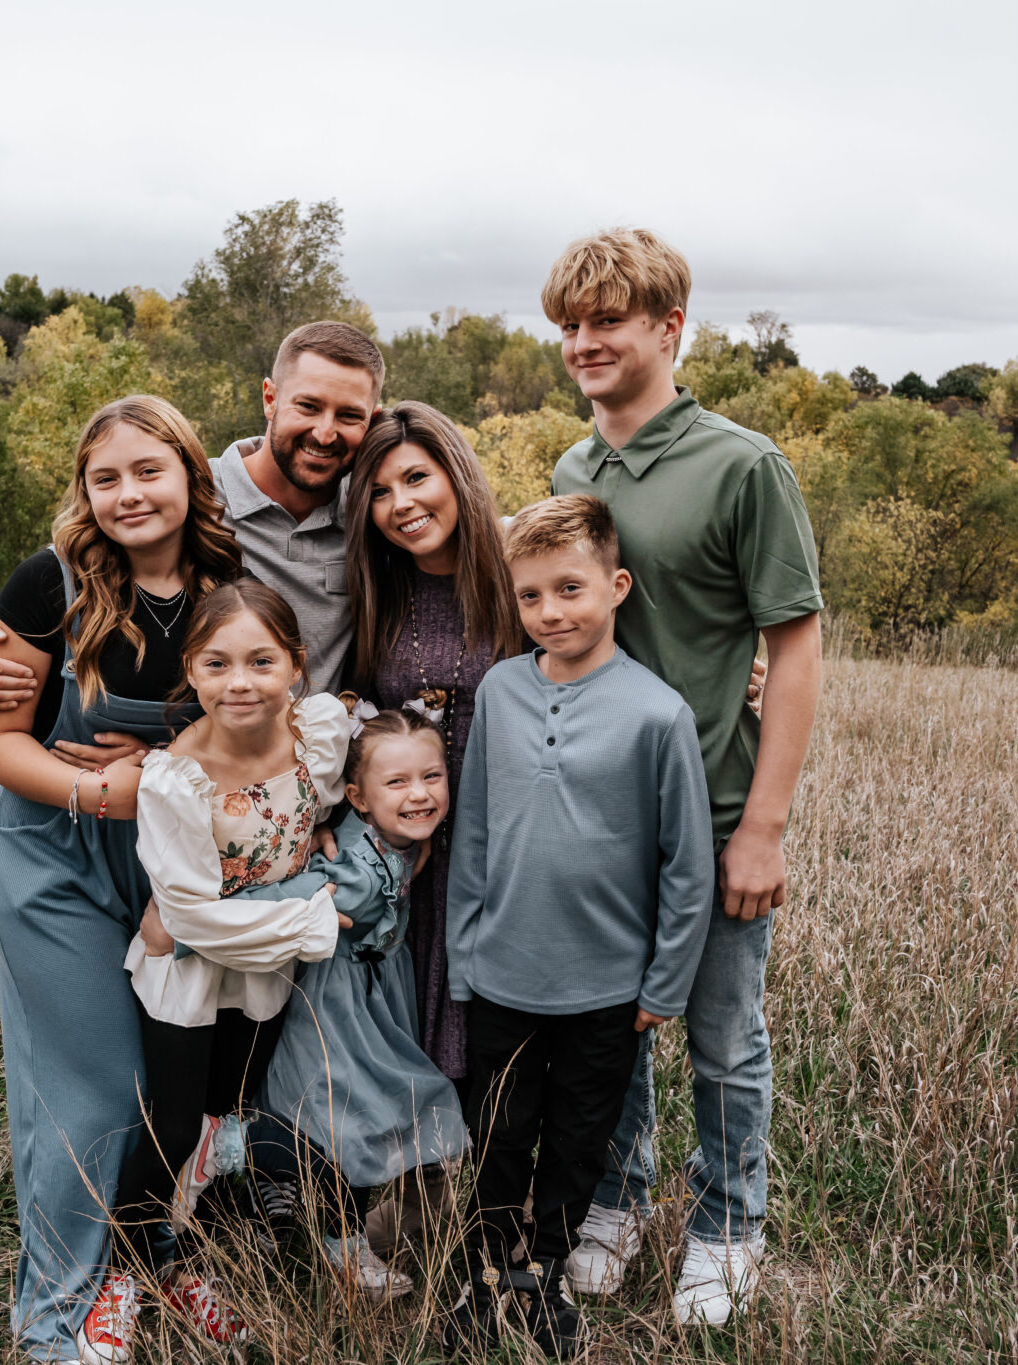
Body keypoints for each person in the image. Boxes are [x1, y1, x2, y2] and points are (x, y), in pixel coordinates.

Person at [544, 228, 823, 1325]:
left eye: (607, 321)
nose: (584, 342)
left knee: (722, 1035)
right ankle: (616, 1198)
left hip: (711, 806)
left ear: (669, 327)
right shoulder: (576, 469)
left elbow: (792, 647)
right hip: (601, 813)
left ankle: (728, 1224)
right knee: (612, 1022)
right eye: (569, 325)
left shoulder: (743, 464)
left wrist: (765, 826)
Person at [0, 395, 243, 1363]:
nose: (128, 493)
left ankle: (155, 1256)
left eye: (148, 470)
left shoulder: (229, 581)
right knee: (93, 1091)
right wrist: (105, 797)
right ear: (85, 493)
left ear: (189, 473)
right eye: (106, 478)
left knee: (182, 1083)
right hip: (53, 858)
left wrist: (172, 764)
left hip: (173, 870)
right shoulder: (50, 586)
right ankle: (53, 1322)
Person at [442, 494, 714, 1358]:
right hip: (501, 972)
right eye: (530, 596)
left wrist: (663, 984)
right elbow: (475, 832)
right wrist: (461, 955)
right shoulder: (500, 689)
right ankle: (488, 1269)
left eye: (569, 589)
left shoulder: (656, 712)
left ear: (616, 585)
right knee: (497, 1130)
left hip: (605, 985)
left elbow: (686, 864)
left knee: (575, 1137)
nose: (550, 612)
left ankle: (545, 1272)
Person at [117, 579, 349, 1341]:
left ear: (295, 665)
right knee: (176, 1124)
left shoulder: (317, 733)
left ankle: (190, 1261)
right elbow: (189, 920)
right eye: (216, 664)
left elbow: (328, 798)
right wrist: (315, 917)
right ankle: (125, 1270)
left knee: (228, 1123)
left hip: (261, 977)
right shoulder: (174, 778)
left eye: (260, 661)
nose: (239, 682)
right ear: (190, 669)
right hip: (188, 975)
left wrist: (321, 843)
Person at [0, 321, 385, 722]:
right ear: (270, 399)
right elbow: (71, 569)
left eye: (349, 416)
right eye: (307, 406)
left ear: (372, 420)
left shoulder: (376, 516)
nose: (325, 433)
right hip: (204, 770)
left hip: (323, 780)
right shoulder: (186, 496)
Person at [342, 401, 520, 1249]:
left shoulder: (517, 572)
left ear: (456, 472)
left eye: (416, 476)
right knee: (405, 1027)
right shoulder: (381, 591)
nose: (401, 503)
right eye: (377, 491)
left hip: (504, 851)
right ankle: (413, 1202)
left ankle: (505, 1215)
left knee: (497, 1033)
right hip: (404, 853)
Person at [226, 706, 470, 1298]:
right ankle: (242, 1162)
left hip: (378, 993)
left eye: (431, 777)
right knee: (341, 1123)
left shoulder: (405, 839)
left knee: (359, 1119)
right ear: (358, 799)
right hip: (336, 1004)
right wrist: (189, 921)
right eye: (398, 783)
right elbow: (273, 896)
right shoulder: (351, 868)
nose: (419, 795)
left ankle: (294, 1215)